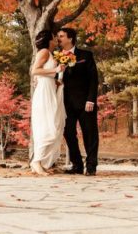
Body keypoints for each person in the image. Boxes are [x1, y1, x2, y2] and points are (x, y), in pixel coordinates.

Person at [56, 27, 99, 176]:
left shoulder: (86, 55)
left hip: (85, 103)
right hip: (65, 104)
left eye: (61, 36)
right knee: (68, 133)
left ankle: (92, 166)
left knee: (90, 134)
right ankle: (77, 165)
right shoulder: (55, 57)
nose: (58, 39)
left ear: (70, 38)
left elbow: (94, 79)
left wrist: (91, 100)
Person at [30, 29, 66, 175]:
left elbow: (45, 73)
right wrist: (56, 69)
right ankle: (36, 161)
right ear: (49, 40)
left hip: (50, 89)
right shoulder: (44, 52)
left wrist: (56, 81)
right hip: (44, 92)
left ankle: (41, 162)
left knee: (54, 125)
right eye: (54, 38)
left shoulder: (51, 54)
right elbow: (35, 71)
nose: (56, 40)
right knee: (47, 126)